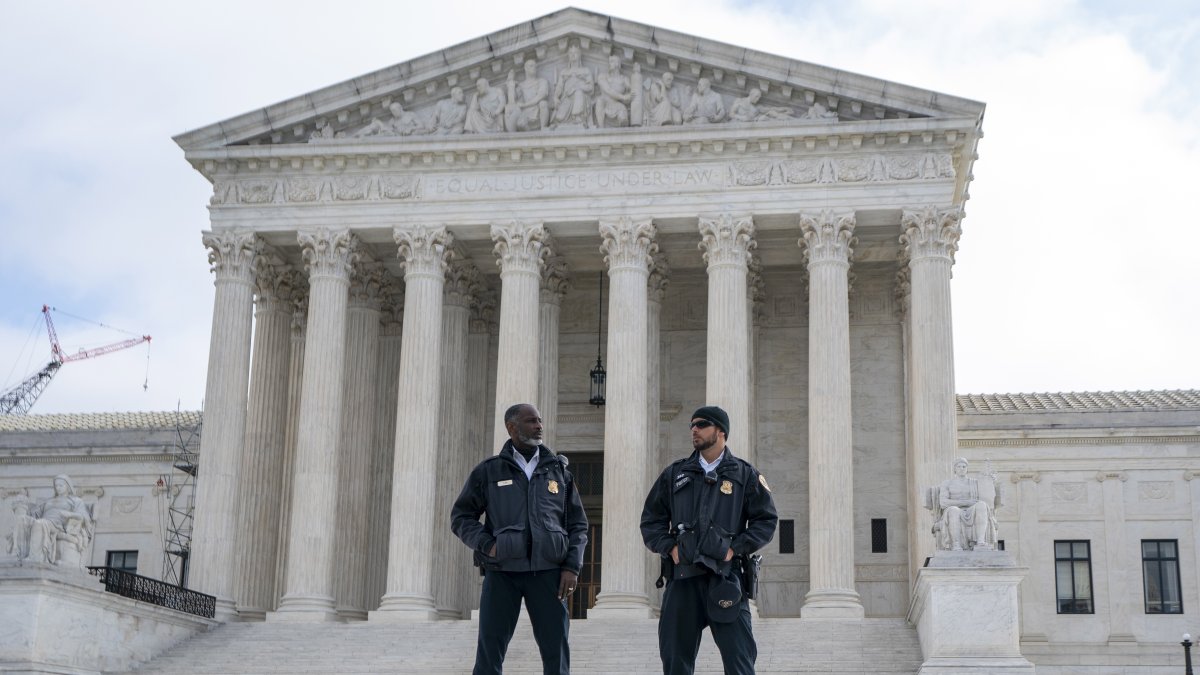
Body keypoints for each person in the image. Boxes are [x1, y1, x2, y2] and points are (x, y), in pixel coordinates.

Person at [451, 403, 588, 675]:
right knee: (490, 649)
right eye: (530, 421)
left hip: (548, 572)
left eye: (539, 420)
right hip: (502, 572)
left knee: (556, 649)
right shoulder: (489, 471)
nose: (539, 426)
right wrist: (488, 545)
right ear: (511, 427)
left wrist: (572, 566)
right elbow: (461, 517)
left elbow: (578, 524)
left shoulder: (559, 472)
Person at [641, 406, 777, 675]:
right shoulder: (674, 474)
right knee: (675, 661)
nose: (694, 429)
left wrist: (734, 548)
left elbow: (766, 520)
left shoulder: (744, 475)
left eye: (702, 424)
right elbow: (651, 520)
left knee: (740, 661)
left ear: (721, 431)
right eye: (692, 425)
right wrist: (670, 547)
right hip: (682, 580)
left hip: (725, 578)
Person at [932, 458, 999, 552]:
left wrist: (992, 482)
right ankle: (956, 544)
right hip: (954, 509)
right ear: (954, 469)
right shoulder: (947, 483)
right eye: (959, 466)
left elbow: (989, 496)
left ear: (967, 469)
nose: (962, 468)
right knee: (953, 510)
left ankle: (980, 541)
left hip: (972, 509)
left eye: (964, 466)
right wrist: (965, 502)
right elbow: (943, 503)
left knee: (982, 505)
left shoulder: (975, 483)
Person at [550, 45, 594, 129]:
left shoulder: (585, 70)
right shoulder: (564, 72)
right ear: (568, 55)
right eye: (570, 53)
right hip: (566, 97)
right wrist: (555, 97)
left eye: (575, 53)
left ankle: (577, 116)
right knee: (559, 118)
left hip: (581, 98)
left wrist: (579, 87)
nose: (573, 55)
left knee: (578, 92)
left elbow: (591, 88)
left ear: (579, 55)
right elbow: (559, 87)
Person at [505, 59, 551, 132]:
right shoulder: (521, 86)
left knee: (543, 103)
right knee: (520, 123)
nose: (534, 67)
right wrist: (510, 83)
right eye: (531, 66)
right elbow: (512, 103)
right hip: (526, 113)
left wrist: (524, 105)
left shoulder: (542, 81)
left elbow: (541, 96)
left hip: (538, 111)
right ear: (525, 68)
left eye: (535, 66)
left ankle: (543, 128)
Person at [594, 54, 632, 128]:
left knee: (623, 112)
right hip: (604, 103)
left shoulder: (624, 79)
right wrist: (623, 97)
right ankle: (601, 129)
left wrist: (629, 96)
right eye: (609, 62)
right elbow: (608, 90)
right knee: (599, 101)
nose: (609, 64)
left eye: (612, 61)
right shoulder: (603, 76)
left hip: (617, 104)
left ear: (617, 64)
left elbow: (632, 92)